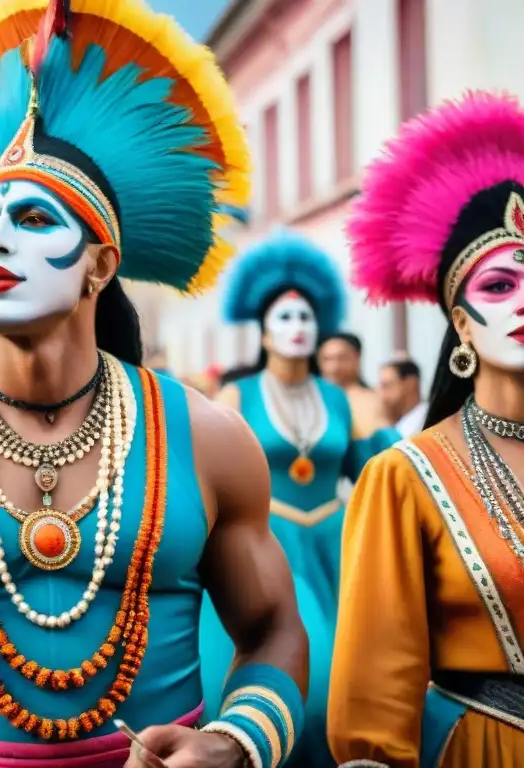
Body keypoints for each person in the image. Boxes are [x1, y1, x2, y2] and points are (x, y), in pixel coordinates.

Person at [0, 2, 309, 768]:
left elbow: (274, 629)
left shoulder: (205, 438)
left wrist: (236, 743)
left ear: (100, 266)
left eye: (34, 217)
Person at [329, 91, 524, 766]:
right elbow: (373, 706)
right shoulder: (405, 477)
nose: (523, 300)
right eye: (499, 286)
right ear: (461, 323)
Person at [203, 228, 399, 765]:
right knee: (306, 687)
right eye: (285, 317)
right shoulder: (236, 395)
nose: (297, 327)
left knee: (352, 685)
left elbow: (382, 472)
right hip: (269, 548)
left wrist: (380, 427)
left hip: (338, 551)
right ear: (263, 331)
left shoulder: (340, 399)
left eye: (307, 317)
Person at [318, 332, 391, 430]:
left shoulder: (375, 400)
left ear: (357, 358)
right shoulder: (313, 400)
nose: (334, 367)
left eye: (342, 358)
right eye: (327, 359)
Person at [379, 358, 427, 437]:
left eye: (387, 386)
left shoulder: (427, 423)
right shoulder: (396, 425)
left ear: (410, 384)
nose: (381, 394)